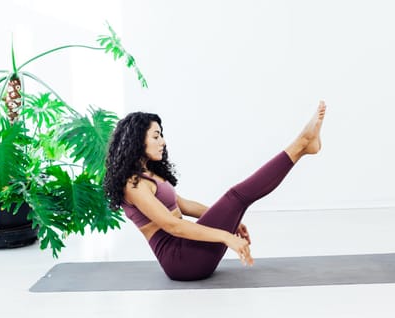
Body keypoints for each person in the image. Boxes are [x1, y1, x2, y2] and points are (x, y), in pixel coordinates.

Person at [104, 101, 327, 281]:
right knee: (237, 196)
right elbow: (173, 226)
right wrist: (226, 236)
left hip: (190, 255)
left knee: (238, 200)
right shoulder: (133, 185)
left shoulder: (149, 175)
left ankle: (303, 147)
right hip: (181, 262)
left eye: (161, 134)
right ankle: (301, 145)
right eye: (156, 136)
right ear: (135, 141)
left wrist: (229, 220)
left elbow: (184, 206)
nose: (162, 141)